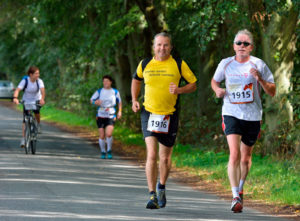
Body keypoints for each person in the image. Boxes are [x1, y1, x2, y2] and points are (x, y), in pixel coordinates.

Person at [211, 29, 276, 213]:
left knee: (246, 158)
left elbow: (272, 91)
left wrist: (260, 79)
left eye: (246, 43)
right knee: (234, 154)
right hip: (231, 112)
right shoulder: (225, 64)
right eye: (239, 43)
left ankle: (240, 187)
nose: (242, 46)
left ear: (251, 47)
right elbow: (214, 82)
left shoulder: (259, 64)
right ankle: (235, 196)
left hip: (253, 116)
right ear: (233, 46)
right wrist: (217, 90)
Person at [131, 32, 197, 209]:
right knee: (151, 154)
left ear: (171, 47)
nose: (162, 48)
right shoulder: (145, 64)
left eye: (166, 45)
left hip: (170, 114)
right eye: (159, 45)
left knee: (165, 158)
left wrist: (179, 90)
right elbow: (136, 80)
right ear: (153, 46)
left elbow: (193, 84)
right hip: (149, 113)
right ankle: (152, 194)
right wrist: (134, 99)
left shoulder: (178, 63)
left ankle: (161, 186)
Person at [90, 75, 122, 159]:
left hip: (111, 114)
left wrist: (120, 111)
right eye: (104, 81)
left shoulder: (115, 91)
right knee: (101, 135)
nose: (105, 83)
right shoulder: (99, 91)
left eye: (107, 81)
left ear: (111, 82)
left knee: (109, 134)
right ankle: (103, 151)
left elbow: (119, 102)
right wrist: (95, 102)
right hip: (100, 114)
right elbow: (91, 100)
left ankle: (109, 150)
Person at [13, 66, 46, 147]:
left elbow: (43, 91)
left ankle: (38, 124)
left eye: (38, 73)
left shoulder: (39, 81)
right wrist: (15, 98)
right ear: (30, 74)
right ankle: (23, 139)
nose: (38, 75)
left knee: (36, 112)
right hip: (26, 101)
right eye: (36, 73)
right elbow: (17, 90)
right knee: (25, 119)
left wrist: (42, 99)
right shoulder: (25, 81)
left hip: (36, 100)